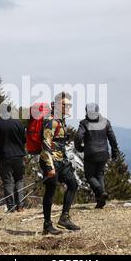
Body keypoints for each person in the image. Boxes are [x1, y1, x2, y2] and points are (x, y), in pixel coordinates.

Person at [40, 92, 80, 235]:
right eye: (65, 105)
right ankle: (47, 225)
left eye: (69, 105)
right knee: (50, 192)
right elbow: (45, 144)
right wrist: (49, 167)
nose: (68, 107)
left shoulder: (61, 120)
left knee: (73, 184)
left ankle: (64, 218)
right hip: (50, 161)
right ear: (57, 105)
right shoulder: (51, 121)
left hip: (61, 161)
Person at [74, 103, 120, 209]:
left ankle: (101, 192)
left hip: (90, 153)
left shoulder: (84, 123)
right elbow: (112, 138)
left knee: (90, 176)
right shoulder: (105, 122)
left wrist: (80, 148)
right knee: (99, 175)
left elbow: (78, 137)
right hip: (103, 153)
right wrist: (115, 152)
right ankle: (100, 201)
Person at [0, 107, 27, 212]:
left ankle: (11, 207)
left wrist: (0, 145)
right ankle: (21, 206)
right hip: (19, 155)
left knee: (7, 182)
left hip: (4, 156)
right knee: (19, 179)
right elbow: (24, 139)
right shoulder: (18, 123)